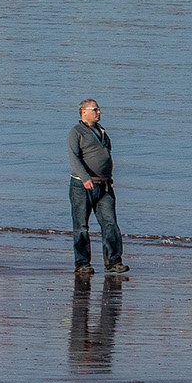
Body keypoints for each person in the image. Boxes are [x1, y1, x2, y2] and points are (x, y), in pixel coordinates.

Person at [68, 98, 128, 281]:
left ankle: (114, 261)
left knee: (110, 224)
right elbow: (74, 157)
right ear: (84, 111)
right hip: (82, 185)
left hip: (105, 185)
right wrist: (85, 178)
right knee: (81, 226)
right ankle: (82, 263)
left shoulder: (102, 131)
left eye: (99, 109)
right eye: (95, 109)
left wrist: (108, 177)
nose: (99, 112)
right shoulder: (76, 132)